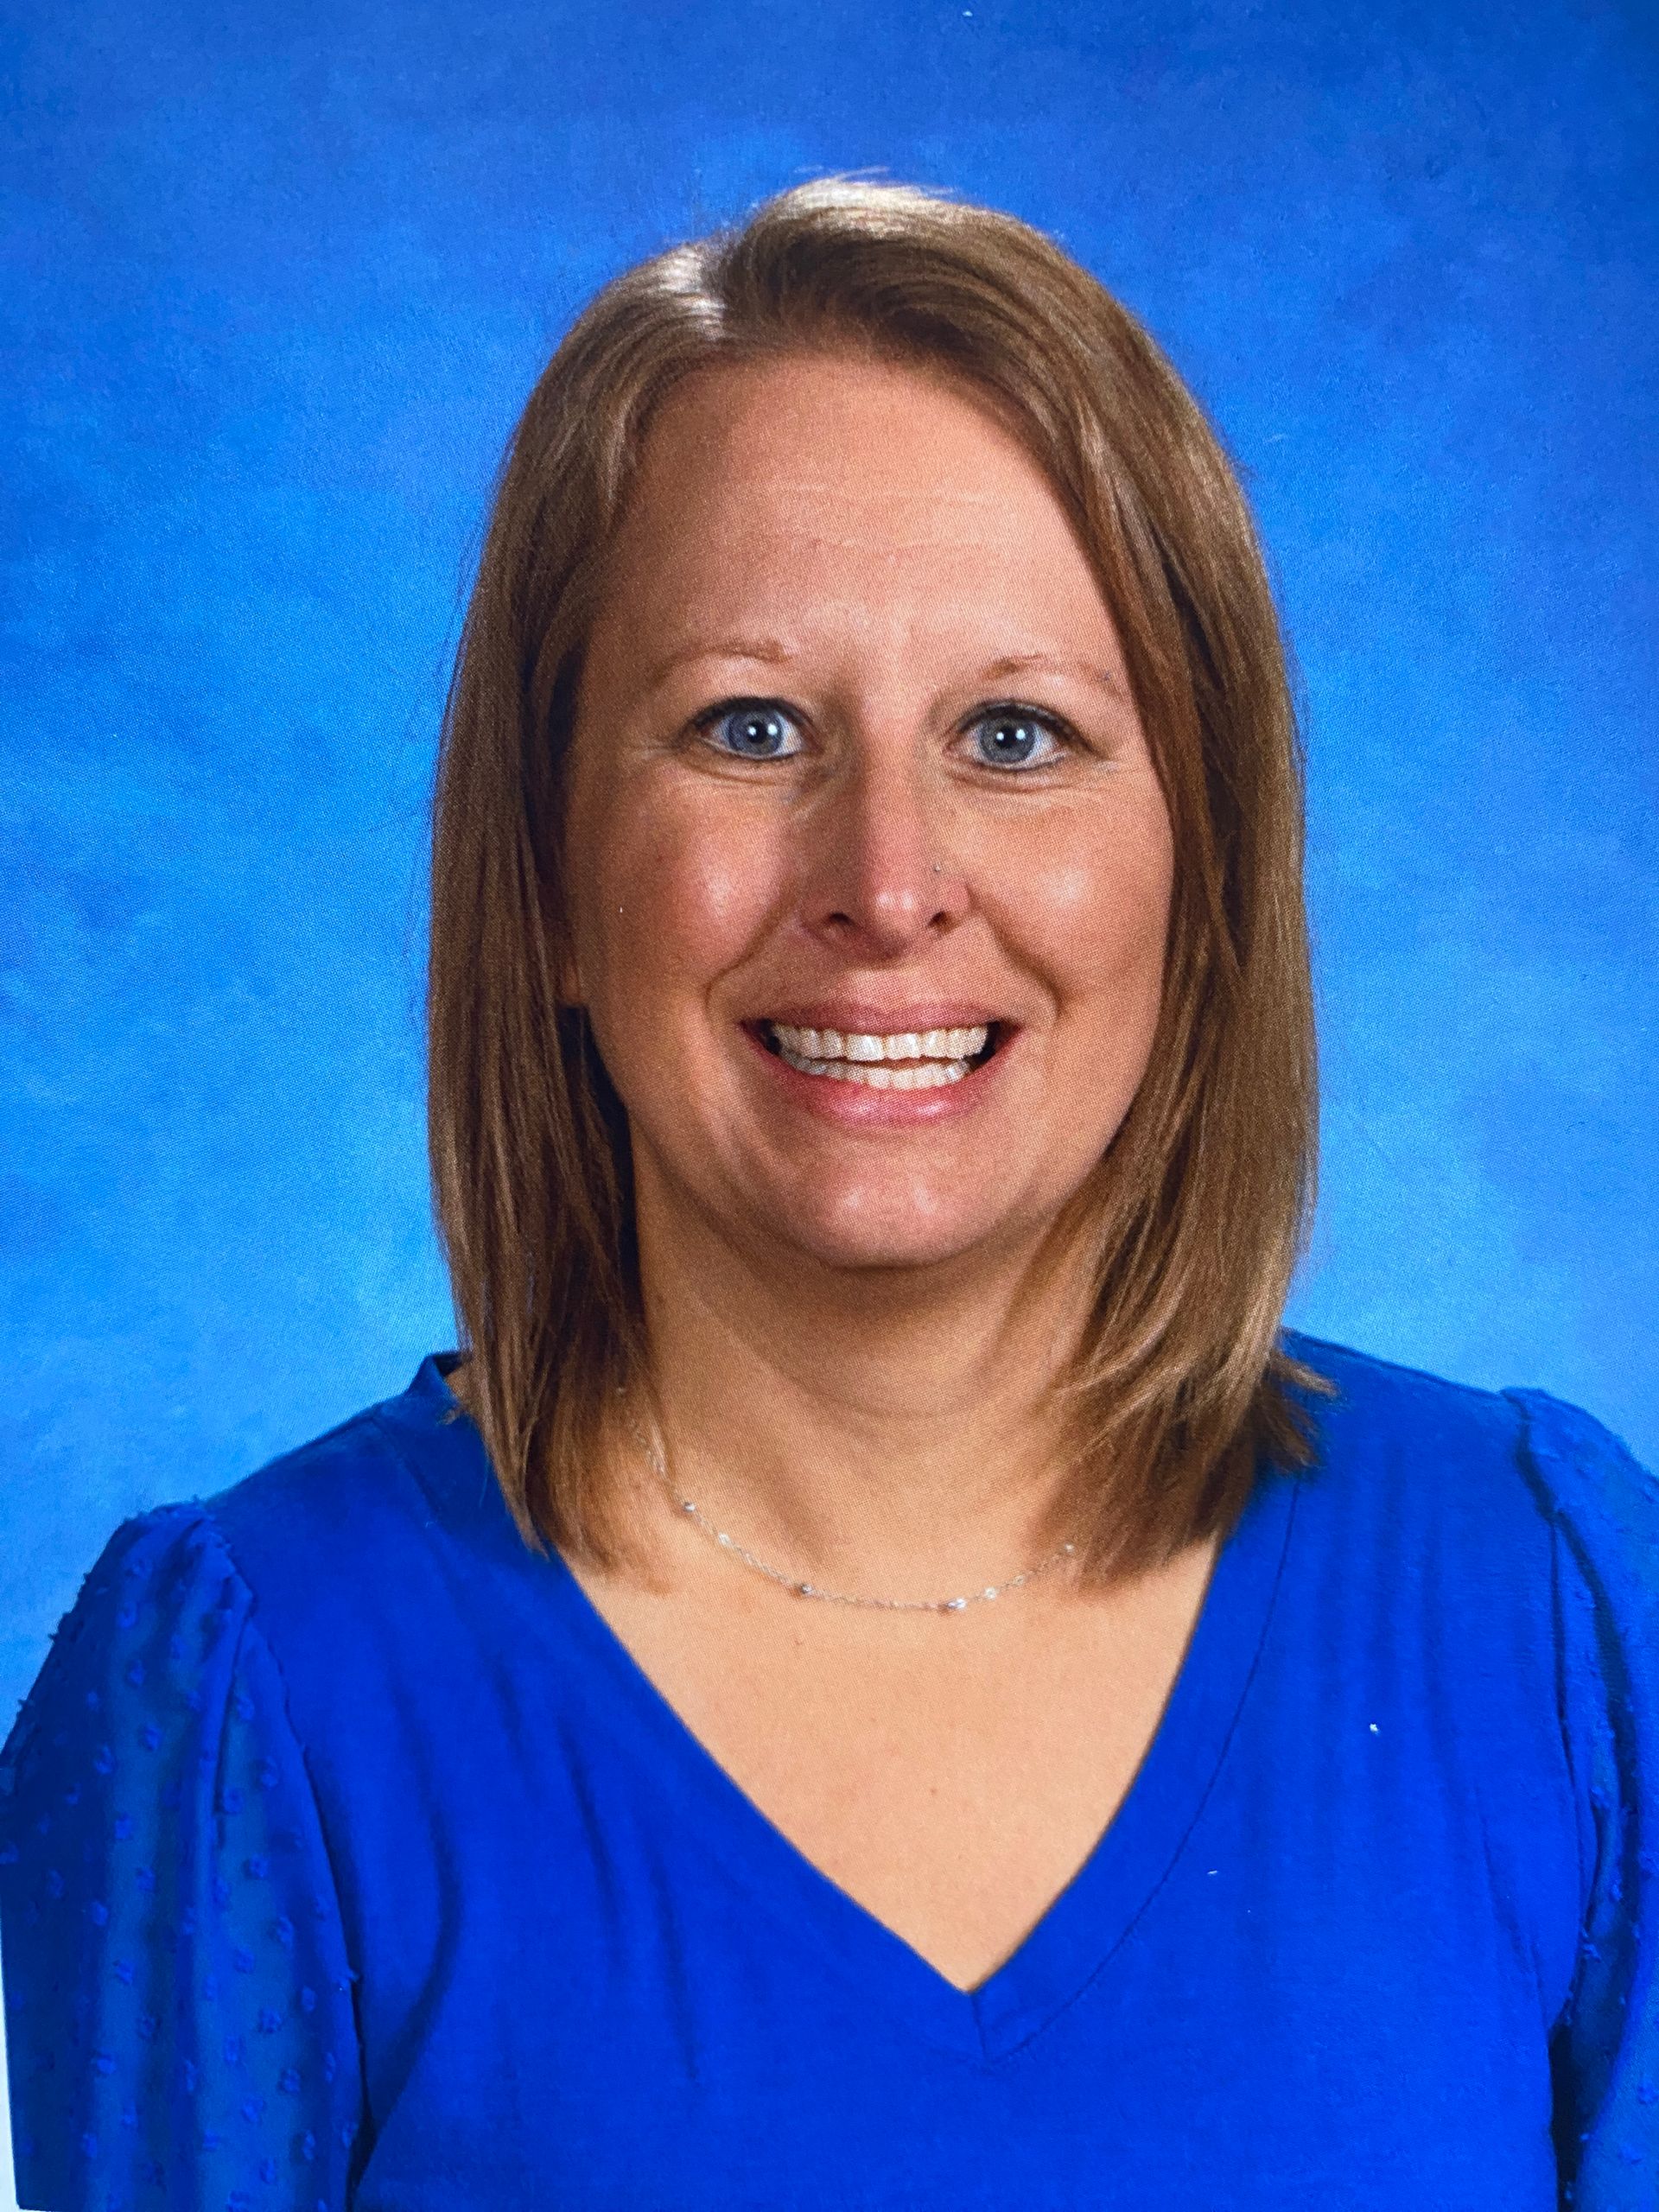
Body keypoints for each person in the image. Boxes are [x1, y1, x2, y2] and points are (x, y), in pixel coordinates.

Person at [2, 177, 1654, 2212]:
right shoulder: (253, 1702)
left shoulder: (1558, 1618)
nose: (887, 877)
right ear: (546, 873)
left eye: (1018, 732)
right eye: (750, 725)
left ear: (1203, 875)